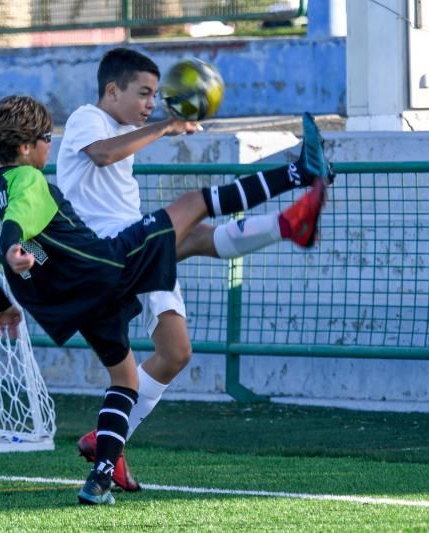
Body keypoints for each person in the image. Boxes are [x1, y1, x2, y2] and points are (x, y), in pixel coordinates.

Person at [0, 95, 329, 505]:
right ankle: (298, 173)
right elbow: (15, 224)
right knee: (193, 204)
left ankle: (99, 480)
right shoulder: (26, 179)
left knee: (126, 379)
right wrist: (12, 249)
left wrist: (2, 303)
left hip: (70, 303)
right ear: (26, 147)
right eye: (47, 139)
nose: (50, 148)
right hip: (104, 268)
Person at [55, 47, 331, 491]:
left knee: (176, 352)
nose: (151, 102)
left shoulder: (122, 127)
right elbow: (103, 154)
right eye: (144, 93)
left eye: (156, 95)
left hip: (134, 248)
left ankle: (110, 441)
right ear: (112, 90)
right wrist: (164, 126)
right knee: (193, 214)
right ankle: (296, 186)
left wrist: (156, 124)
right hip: (108, 250)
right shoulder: (91, 118)